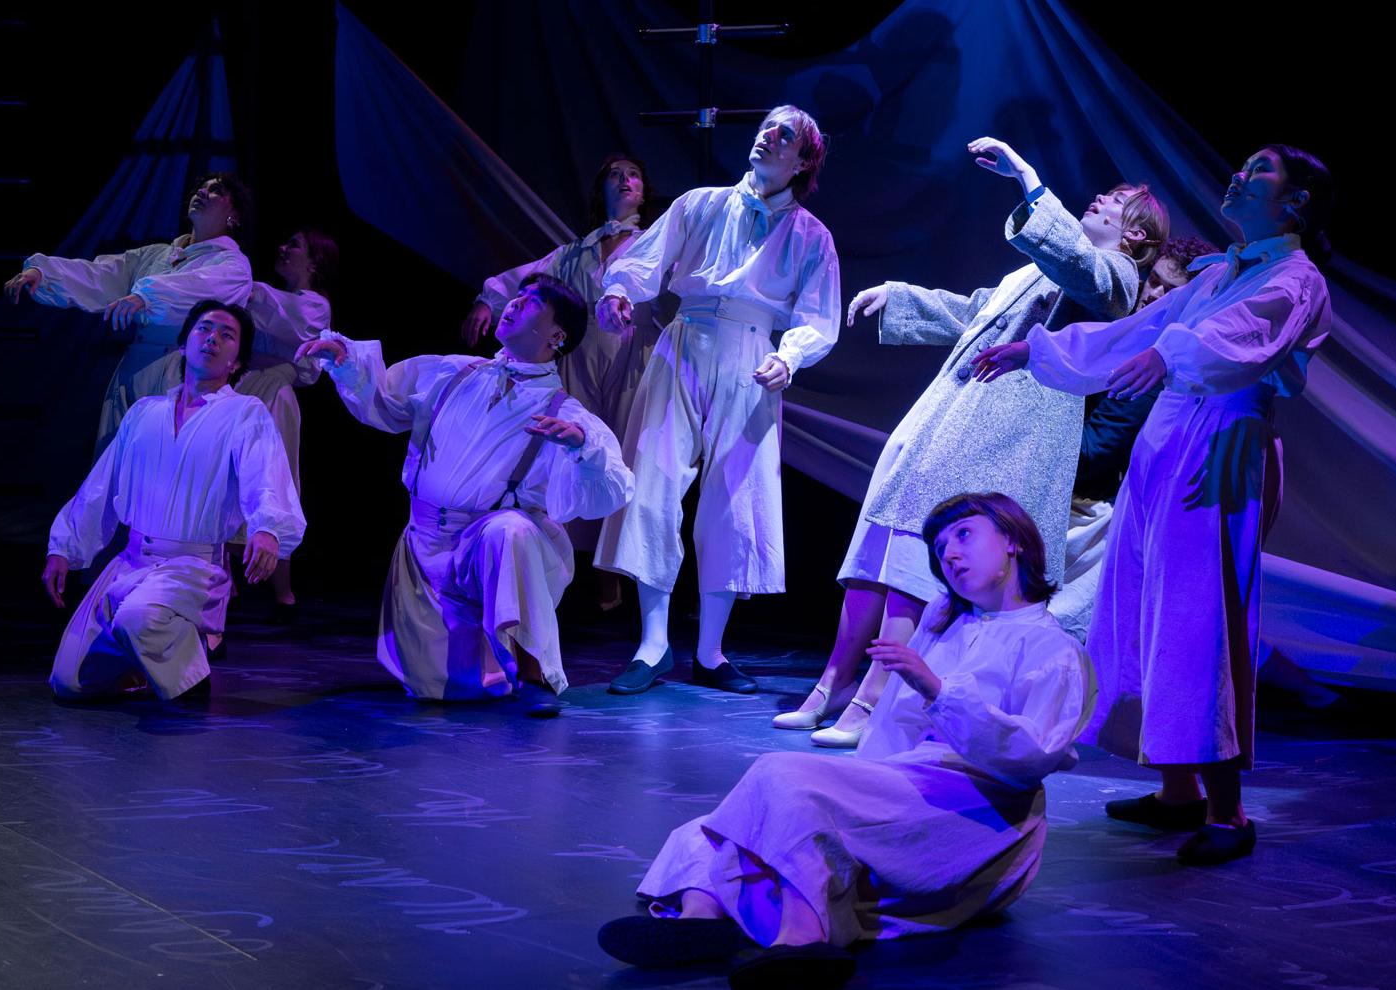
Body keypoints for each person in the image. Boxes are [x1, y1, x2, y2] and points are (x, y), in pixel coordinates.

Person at [972, 145, 1337, 865]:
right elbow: (1137, 330)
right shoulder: (1222, 272)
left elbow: (1238, 342)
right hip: (1168, 438)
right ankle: (1178, 792)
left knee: (1201, 617)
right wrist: (1039, 353)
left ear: (1295, 203)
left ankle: (1227, 812)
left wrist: (1169, 355)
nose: (1239, 174)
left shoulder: (1294, 278)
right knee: (1144, 603)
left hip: (1221, 440)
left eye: (1260, 168)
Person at [597, 492, 1088, 988]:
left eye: (964, 535)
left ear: (1013, 541)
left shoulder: (1052, 647)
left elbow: (1029, 757)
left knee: (781, 777)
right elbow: (892, 731)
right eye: (939, 549)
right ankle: (698, 924)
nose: (950, 555)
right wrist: (850, 793)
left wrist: (938, 692)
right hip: (908, 784)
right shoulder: (946, 626)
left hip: (979, 808)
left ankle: (800, 937)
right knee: (719, 825)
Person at [775, 137, 1165, 749]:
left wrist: (1030, 180)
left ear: (1137, 238)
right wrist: (901, 298)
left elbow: (1089, 276)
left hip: (1007, 431)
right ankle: (833, 683)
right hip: (953, 413)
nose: (1099, 199)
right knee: (877, 552)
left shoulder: (1114, 276)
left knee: (913, 563)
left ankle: (876, 700)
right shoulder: (1042, 269)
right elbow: (977, 312)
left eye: (1115, 202)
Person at [296, 275, 633, 716]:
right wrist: (345, 363)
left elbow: (614, 487)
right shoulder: (456, 373)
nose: (512, 305)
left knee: (509, 530)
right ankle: (478, 657)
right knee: (438, 689)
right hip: (424, 548)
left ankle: (535, 672)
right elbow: (385, 400)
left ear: (557, 335)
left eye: (530, 303)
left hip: (489, 552)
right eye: (516, 297)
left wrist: (579, 448)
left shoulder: (563, 412)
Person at [592, 105, 841, 696]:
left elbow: (818, 316)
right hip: (684, 341)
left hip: (753, 356)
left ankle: (710, 650)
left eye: (784, 134)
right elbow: (643, 262)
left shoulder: (811, 235)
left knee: (737, 496)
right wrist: (620, 292)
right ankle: (652, 647)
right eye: (767, 126)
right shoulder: (700, 203)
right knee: (651, 480)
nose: (767, 135)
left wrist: (792, 355)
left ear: (802, 158)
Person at [42, 300, 304, 702]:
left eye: (226, 334)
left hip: (193, 566)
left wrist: (267, 528)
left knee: (137, 618)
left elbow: (265, 475)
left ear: (236, 363)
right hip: (130, 563)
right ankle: (142, 666)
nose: (212, 337)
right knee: (70, 682)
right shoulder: (146, 412)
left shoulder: (243, 413)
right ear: (183, 346)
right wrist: (65, 548)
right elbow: (102, 484)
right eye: (204, 328)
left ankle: (193, 677)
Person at [462, 154, 660, 611]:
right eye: (614, 174)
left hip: (633, 360)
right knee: (573, 457)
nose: (624, 180)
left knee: (626, 461)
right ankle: (563, 562)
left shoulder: (654, 246)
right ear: (602, 191)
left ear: (643, 191)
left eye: (632, 174)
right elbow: (526, 279)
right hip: (582, 361)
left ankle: (613, 569)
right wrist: (488, 299)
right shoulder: (578, 251)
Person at [140, 227, 340, 617]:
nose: (282, 247)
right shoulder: (269, 298)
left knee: (273, 480)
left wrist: (243, 286)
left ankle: (282, 588)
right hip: (246, 388)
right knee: (227, 478)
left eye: (293, 245)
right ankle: (224, 577)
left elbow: (285, 320)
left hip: (273, 397)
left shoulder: (315, 305)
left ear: (314, 261)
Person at [5, 174, 255, 454]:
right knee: (116, 462)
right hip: (133, 367)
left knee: (159, 463)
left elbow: (197, 287)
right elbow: (103, 273)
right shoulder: (157, 255)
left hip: (179, 371)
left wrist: (146, 296)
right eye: (201, 188)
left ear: (234, 214)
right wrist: (45, 273)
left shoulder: (232, 265)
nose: (203, 192)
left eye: (216, 190)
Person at [1047, 235, 1216, 641]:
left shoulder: (1153, 373)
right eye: (1153, 280)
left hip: (1080, 521)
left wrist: (1035, 416)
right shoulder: (1124, 335)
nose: (1153, 293)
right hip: (1064, 504)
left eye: (1168, 290)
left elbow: (1095, 453)